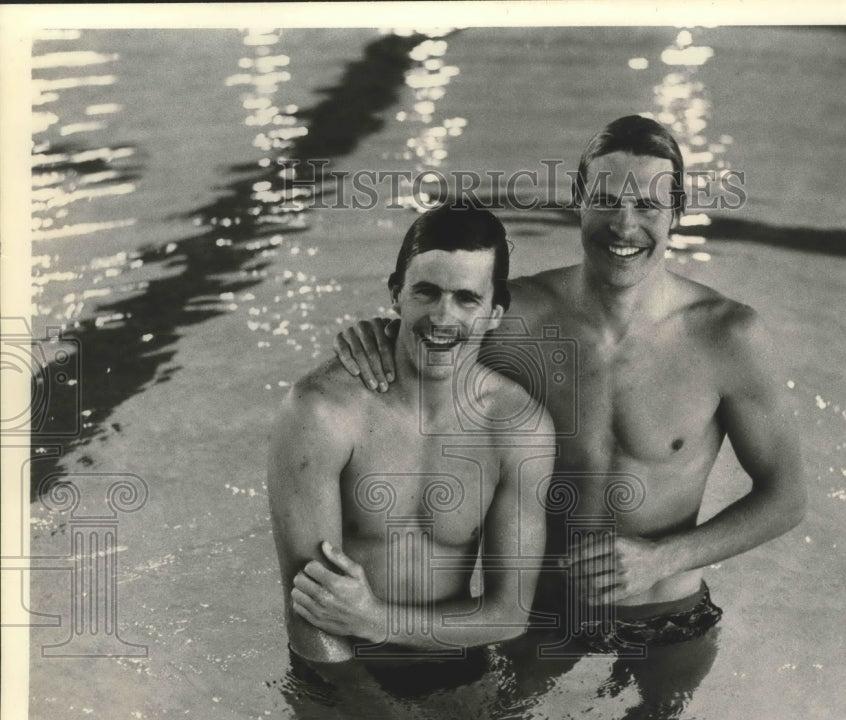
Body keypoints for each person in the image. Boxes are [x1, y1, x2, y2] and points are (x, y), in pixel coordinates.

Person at [332, 115, 807, 654]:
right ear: (578, 200)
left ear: (676, 212)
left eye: (648, 205)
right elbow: (434, 328)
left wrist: (664, 557)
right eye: (605, 200)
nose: (625, 226)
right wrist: (379, 335)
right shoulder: (514, 320)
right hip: (537, 614)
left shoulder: (728, 336)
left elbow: (786, 497)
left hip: (665, 610)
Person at [267, 203, 555, 666]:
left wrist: (377, 620)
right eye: (426, 292)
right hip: (339, 668)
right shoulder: (321, 412)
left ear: (495, 312)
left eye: (466, 298)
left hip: (454, 657)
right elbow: (309, 614)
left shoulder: (519, 426)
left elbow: (510, 613)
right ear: (395, 294)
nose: (442, 317)